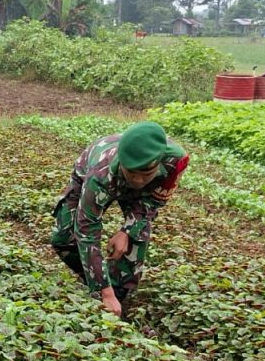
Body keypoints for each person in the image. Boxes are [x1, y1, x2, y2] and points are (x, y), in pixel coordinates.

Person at [50, 121, 190, 316]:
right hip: (94, 172)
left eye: (146, 174)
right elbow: (87, 231)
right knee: (63, 238)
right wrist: (104, 290)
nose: (138, 180)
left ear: (158, 164)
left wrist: (127, 230)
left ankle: (119, 295)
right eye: (131, 172)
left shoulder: (176, 161)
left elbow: (155, 201)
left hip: (143, 193)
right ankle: (98, 284)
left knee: (136, 237)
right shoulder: (100, 175)